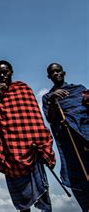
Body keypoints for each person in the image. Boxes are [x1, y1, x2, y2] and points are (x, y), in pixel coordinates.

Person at [0, 60, 55, 212]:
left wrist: (40, 140)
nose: (2, 75)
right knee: (21, 196)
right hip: (11, 149)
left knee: (42, 188)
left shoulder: (23, 89)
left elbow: (34, 116)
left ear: (11, 72)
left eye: (5, 72)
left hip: (31, 146)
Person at [42, 63, 89, 211]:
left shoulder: (79, 90)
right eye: (52, 72)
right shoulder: (47, 98)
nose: (56, 74)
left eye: (58, 71)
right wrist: (53, 101)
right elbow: (51, 119)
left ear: (64, 72)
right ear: (49, 77)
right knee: (78, 177)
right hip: (70, 145)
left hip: (86, 137)